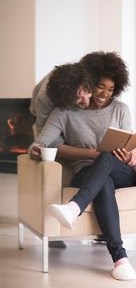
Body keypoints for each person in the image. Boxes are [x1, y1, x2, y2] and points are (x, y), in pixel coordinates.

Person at [30, 51, 136, 281]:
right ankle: (121, 260)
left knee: (106, 158)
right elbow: (40, 142)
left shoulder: (121, 109)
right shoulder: (64, 111)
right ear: (89, 81)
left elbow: (130, 142)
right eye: (100, 86)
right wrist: (37, 149)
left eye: (111, 89)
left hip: (121, 171)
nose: (104, 93)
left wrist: (133, 152)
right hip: (85, 174)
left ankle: (74, 208)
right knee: (103, 183)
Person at [29, 63, 93, 248]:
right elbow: (47, 139)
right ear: (67, 98)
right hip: (41, 117)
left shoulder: (86, 76)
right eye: (78, 100)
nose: (86, 103)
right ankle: (53, 232)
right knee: (50, 162)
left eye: (87, 93)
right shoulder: (45, 101)